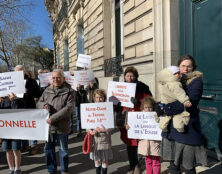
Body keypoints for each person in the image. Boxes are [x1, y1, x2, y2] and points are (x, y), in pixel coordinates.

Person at [160, 55, 207, 174]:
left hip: (187, 127)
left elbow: (189, 103)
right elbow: (168, 97)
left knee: (188, 165)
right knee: (173, 164)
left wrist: (165, 109)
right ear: (178, 67)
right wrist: (158, 105)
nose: (185, 69)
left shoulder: (196, 81)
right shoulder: (175, 79)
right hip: (172, 128)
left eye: (189, 66)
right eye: (183, 66)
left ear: (193, 68)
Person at [36, 69, 75, 174]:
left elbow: (68, 109)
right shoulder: (47, 90)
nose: (55, 80)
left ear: (63, 78)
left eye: (58, 77)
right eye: (53, 78)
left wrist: (52, 119)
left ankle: (64, 170)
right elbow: (39, 102)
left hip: (61, 126)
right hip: (48, 128)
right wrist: (43, 106)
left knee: (63, 151)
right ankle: (51, 170)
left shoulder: (70, 91)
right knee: (48, 150)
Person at [119, 66, 152, 174]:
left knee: (138, 144)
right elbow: (116, 107)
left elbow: (149, 101)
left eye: (132, 75)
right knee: (129, 144)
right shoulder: (120, 88)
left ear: (136, 76)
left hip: (138, 119)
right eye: (127, 75)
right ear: (124, 77)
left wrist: (139, 102)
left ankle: (138, 165)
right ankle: (131, 165)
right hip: (126, 120)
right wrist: (117, 104)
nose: (130, 77)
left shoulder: (143, 87)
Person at [14, 65, 41, 154]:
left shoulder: (31, 81)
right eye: (16, 72)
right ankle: (24, 145)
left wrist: (28, 91)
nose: (17, 73)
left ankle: (34, 145)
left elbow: (38, 93)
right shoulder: (12, 82)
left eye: (19, 71)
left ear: (24, 72)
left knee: (31, 126)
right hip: (18, 107)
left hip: (29, 106)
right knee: (22, 127)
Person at [157, 66, 192, 132]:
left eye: (179, 73)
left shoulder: (166, 84)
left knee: (169, 120)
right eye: (176, 73)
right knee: (175, 122)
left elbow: (180, 94)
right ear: (169, 75)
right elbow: (179, 94)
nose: (179, 75)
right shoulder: (172, 84)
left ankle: (166, 128)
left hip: (169, 104)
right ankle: (179, 129)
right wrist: (186, 101)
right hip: (170, 104)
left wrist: (185, 101)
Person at [88, 89, 112, 174]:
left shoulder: (108, 108)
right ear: (94, 98)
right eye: (97, 97)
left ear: (104, 98)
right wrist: (90, 131)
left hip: (104, 138)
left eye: (101, 97)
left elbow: (112, 124)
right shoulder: (90, 109)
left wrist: (105, 129)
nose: (99, 99)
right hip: (94, 139)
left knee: (105, 159)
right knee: (96, 159)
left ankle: (104, 172)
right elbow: (87, 123)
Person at [0, 94, 24, 174]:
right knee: (7, 150)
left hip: (15, 129)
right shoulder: (3, 101)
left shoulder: (19, 100)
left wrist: (14, 100)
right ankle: (11, 168)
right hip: (5, 129)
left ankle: (17, 168)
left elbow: (18, 111)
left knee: (16, 149)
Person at [137, 96, 161, 174]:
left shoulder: (157, 116)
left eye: (150, 107)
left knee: (156, 161)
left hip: (154, 143)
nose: (148, 109)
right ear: (143, 107)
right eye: (146, 107)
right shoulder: (140, 117)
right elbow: (136, 127)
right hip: (145, 143)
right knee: (147, 161)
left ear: (153, 107)